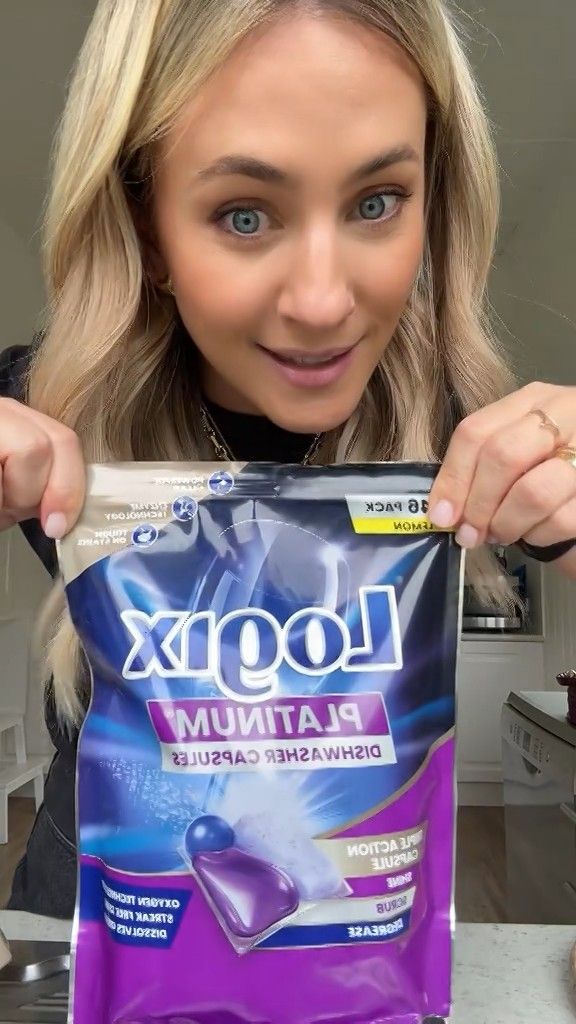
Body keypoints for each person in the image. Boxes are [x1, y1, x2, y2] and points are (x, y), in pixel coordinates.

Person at [1, 0, 574, 919]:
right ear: (149, 233)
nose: (321, 301)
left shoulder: (470, 435)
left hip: (354, 943)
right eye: (243, 215)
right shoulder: (48, 409)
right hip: (96, 936)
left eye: (377, 202)